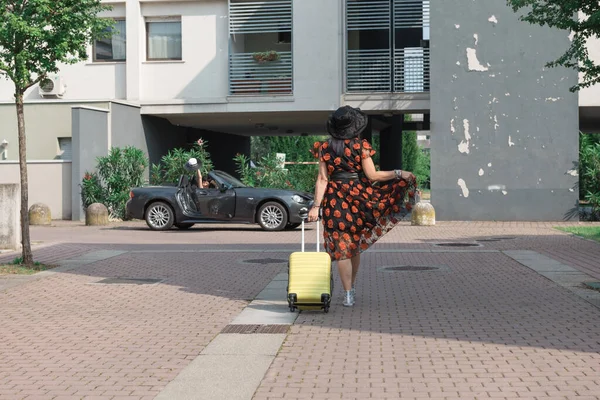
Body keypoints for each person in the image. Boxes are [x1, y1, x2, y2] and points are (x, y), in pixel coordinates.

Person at [307, 106, 417, 307]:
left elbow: (322, 179)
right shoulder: (361, 147)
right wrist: (399, 173)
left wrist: (316, 206)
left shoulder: (324, 148)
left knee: (342, 249)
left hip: (335, 199)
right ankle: (351, 289)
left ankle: (348, 292)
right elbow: (373, 176)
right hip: (359, 199)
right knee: (353, 247)